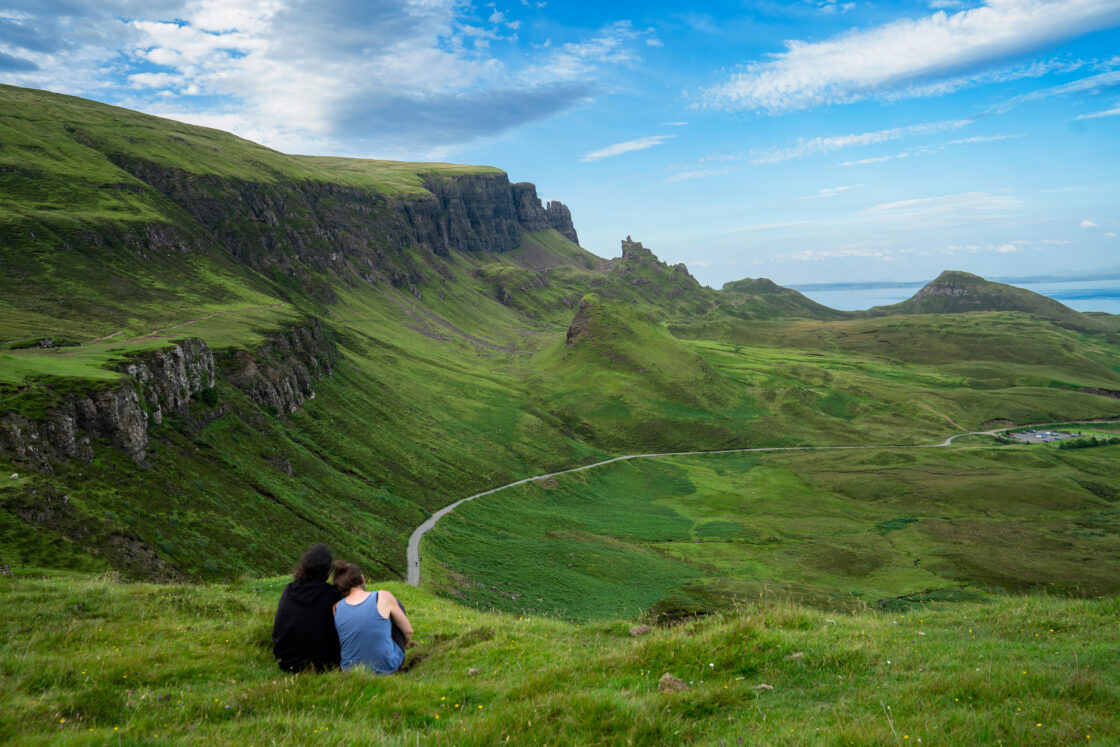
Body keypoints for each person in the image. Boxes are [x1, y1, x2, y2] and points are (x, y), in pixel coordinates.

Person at [332, 560, 413, 673]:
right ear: (362, 578)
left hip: (350, 671)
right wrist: (402, 645)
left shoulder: (336, 608)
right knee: (396, 606)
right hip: (386, 668)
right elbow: (408, 632)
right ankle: (392, 661)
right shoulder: (383, 596)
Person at [272, 544, 342, 673]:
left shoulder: (289, 589)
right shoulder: (333, 595)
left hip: (285, 661)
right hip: (321, 664)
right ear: (327, 572)